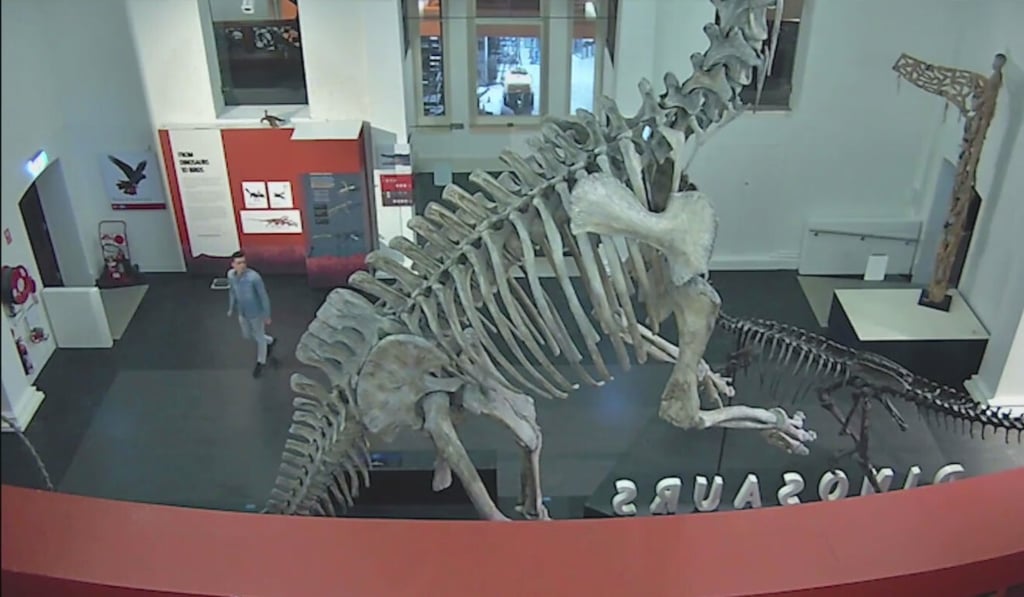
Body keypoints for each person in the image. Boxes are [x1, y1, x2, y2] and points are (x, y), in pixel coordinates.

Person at [226, 250, 277, 377]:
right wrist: (231, 308)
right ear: (233, 264)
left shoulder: (254, 277)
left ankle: (261, 362)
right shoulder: (231, 275)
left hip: (256, 313)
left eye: (244, 262)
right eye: (238, 263)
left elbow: (263, 296)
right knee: (247, 335)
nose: (242, 265)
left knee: (259, 337)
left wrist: (266, 315)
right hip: (242, 312)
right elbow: (232, 291)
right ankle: (269, 340)